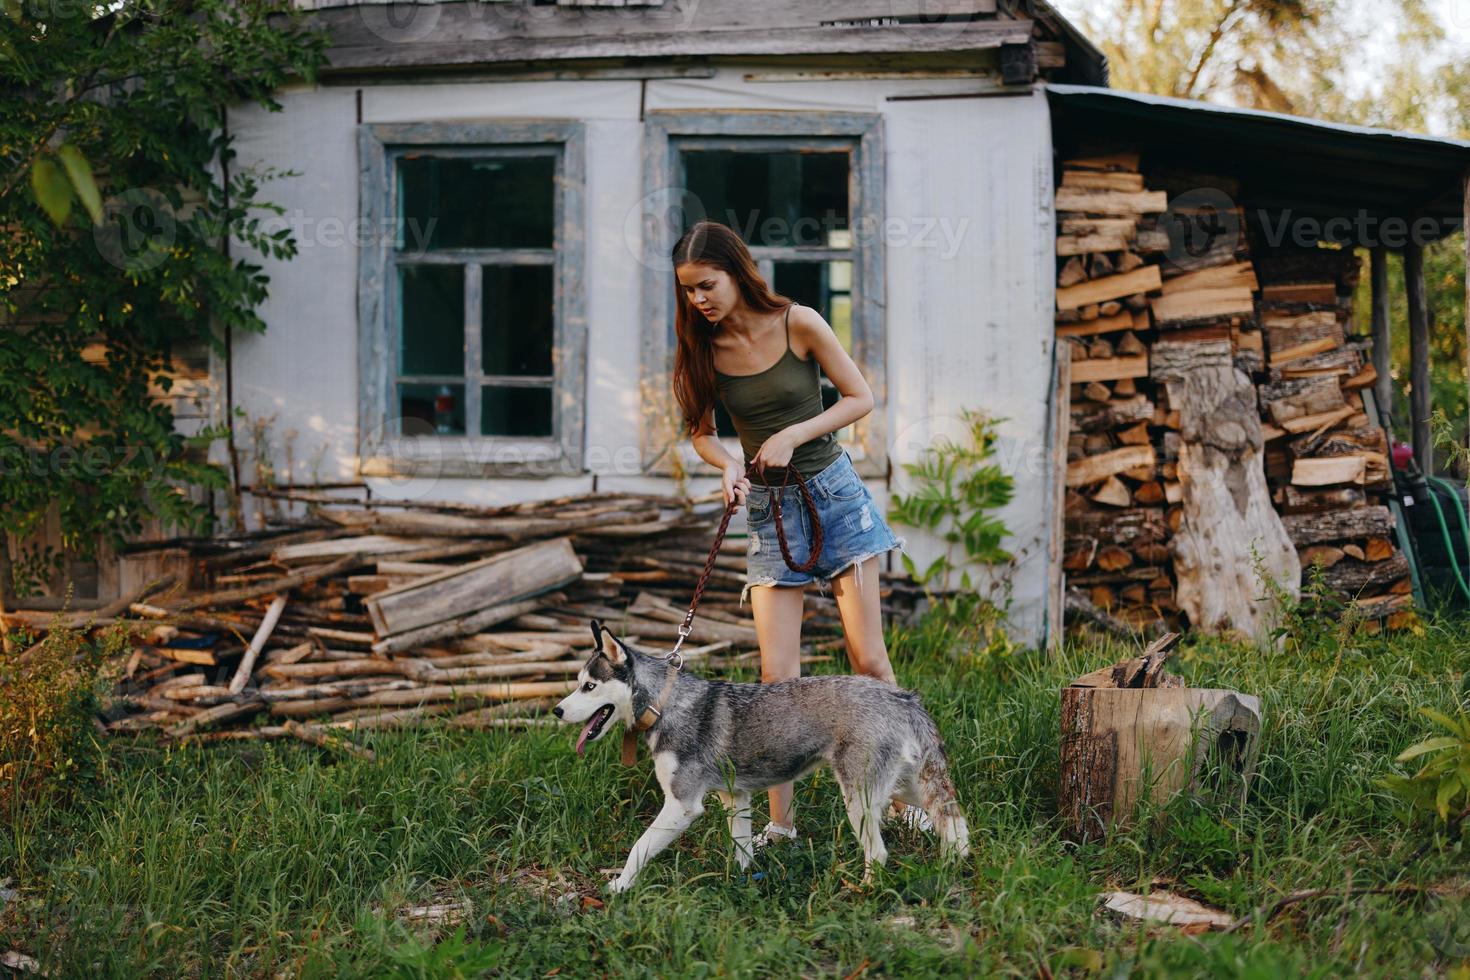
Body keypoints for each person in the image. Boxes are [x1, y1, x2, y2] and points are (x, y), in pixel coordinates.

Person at [669, 219, 929, 847]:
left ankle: (906, 802)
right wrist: (729, 462)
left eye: (707, 285)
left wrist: (793, 433)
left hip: (837, 499)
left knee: (868, 660)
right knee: (777, 680)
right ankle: (781, 827)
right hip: (770, 514)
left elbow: (859, 398)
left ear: (736, 271)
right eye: (688, 291)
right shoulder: (701, 351)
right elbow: (700, 431)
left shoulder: (799, 322)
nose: (698, 300)